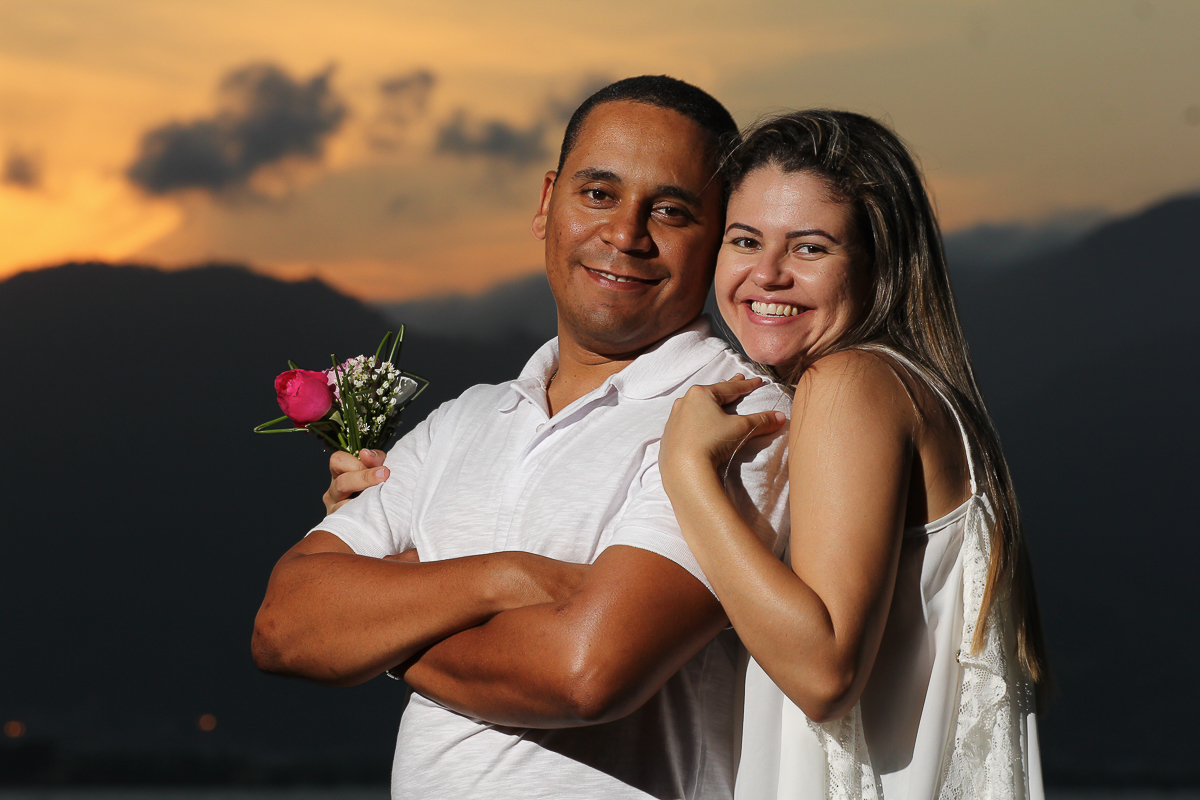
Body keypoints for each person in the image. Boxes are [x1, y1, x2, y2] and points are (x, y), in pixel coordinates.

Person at [251, 76, 791, 800]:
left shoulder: (739, 419)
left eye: (670, 210)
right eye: (598, 194)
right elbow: (285, 625)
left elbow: (585, 673)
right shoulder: (463, 422)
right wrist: (507, 576)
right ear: (547, 204)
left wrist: (387, 617)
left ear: (720, 239)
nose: (626, 235)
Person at [657, 110, 1047, 798]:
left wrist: (687, 474)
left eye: (809, 249)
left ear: (878, 264)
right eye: (745, 240)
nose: (767, 274)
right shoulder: (916, 391)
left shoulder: (851, 383)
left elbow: (823, 672)